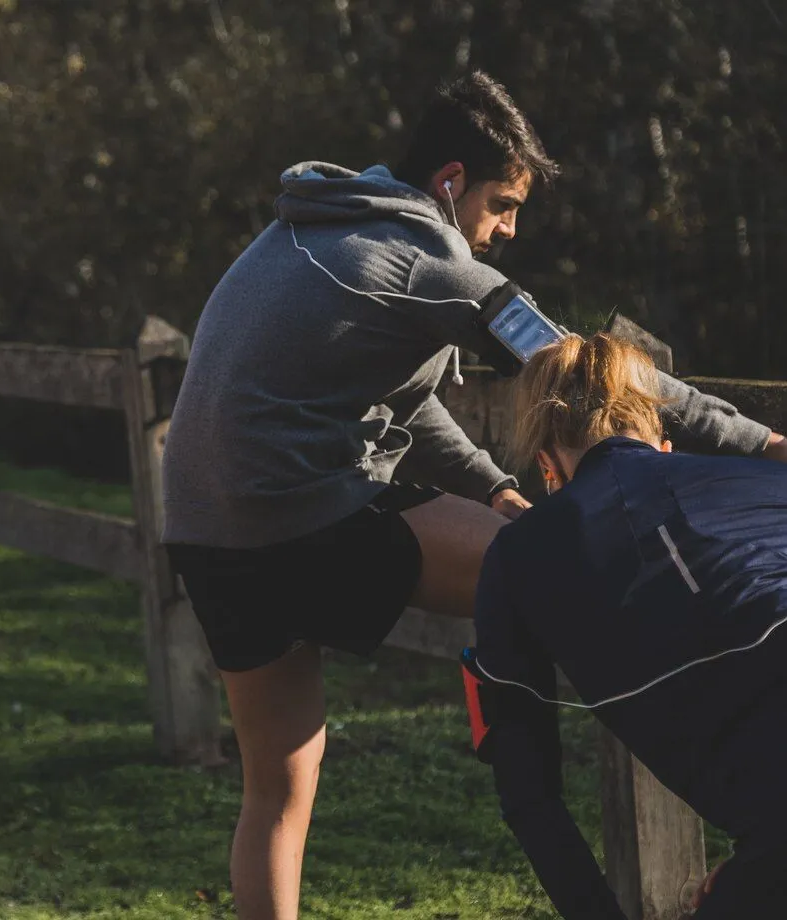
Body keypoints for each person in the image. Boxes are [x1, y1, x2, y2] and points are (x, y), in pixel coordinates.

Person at [160, 71, 787, 920]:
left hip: (208, 539)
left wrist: (495, 487)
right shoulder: (426, 261)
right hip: (301, 520)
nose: (507, 230)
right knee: (561, 565)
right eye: (502, 204)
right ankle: (753, 812)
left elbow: (410, 405)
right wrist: (764, 443)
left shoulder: (310, 233)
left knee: (278, 786)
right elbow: (581, 366)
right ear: (450, 182)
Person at [469, 333, 787, 919]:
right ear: (665, 447)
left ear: (546, 468)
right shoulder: (770, 484)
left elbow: (528, 795)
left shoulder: (517, 556)